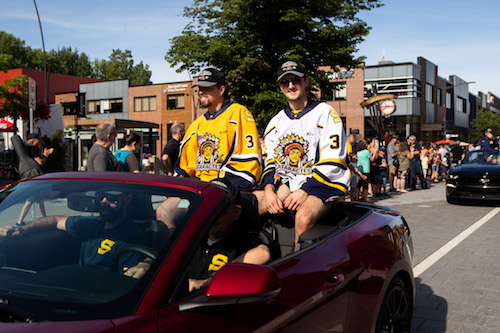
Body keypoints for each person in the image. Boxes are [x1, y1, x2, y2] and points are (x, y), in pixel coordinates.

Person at [254, 60, 350, 246]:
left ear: (306, 81)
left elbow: (333, 161)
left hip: (321, 184)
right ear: (280, 87)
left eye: (295, 80)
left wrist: (305, 190)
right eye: (285, 82)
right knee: (250, 206)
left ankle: (296, 269)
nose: (291, 86)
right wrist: (269, 190)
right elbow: (270, 161)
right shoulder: (276, 121)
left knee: (303, 218)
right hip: (287, 183)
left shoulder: (325, 114)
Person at [1, 188, 146, 273]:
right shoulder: (90, 224)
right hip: (76, 289)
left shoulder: (131, 236)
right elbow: (55, 220)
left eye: (112, 198)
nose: (104, 202)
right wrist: (23, 229)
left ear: (127, 199)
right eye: (101, 196)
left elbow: (123, 281)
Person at [174, 68, 261, 190]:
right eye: (200, 89)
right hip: (199, 186)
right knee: (165, 208)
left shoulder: (238, 113)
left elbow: (250, 161)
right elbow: (184, 166)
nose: (201, 92)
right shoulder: (197, 124)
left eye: (207, 88)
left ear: (221, 90)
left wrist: (222, 184)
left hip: (228, 186)